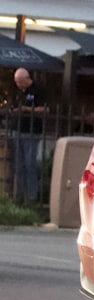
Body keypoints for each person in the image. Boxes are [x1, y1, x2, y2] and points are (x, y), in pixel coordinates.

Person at [11, 67, 47, 203]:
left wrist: (26, 109)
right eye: (17, 82)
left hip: (31, 131)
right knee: (18, 165)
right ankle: (19, 195)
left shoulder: (38, 90)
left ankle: (32, 196)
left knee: (29, 165)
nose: (19, 85)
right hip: (18, 130)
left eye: (20, 82)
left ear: (27, 78)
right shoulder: (18, 92)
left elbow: (45, 109)